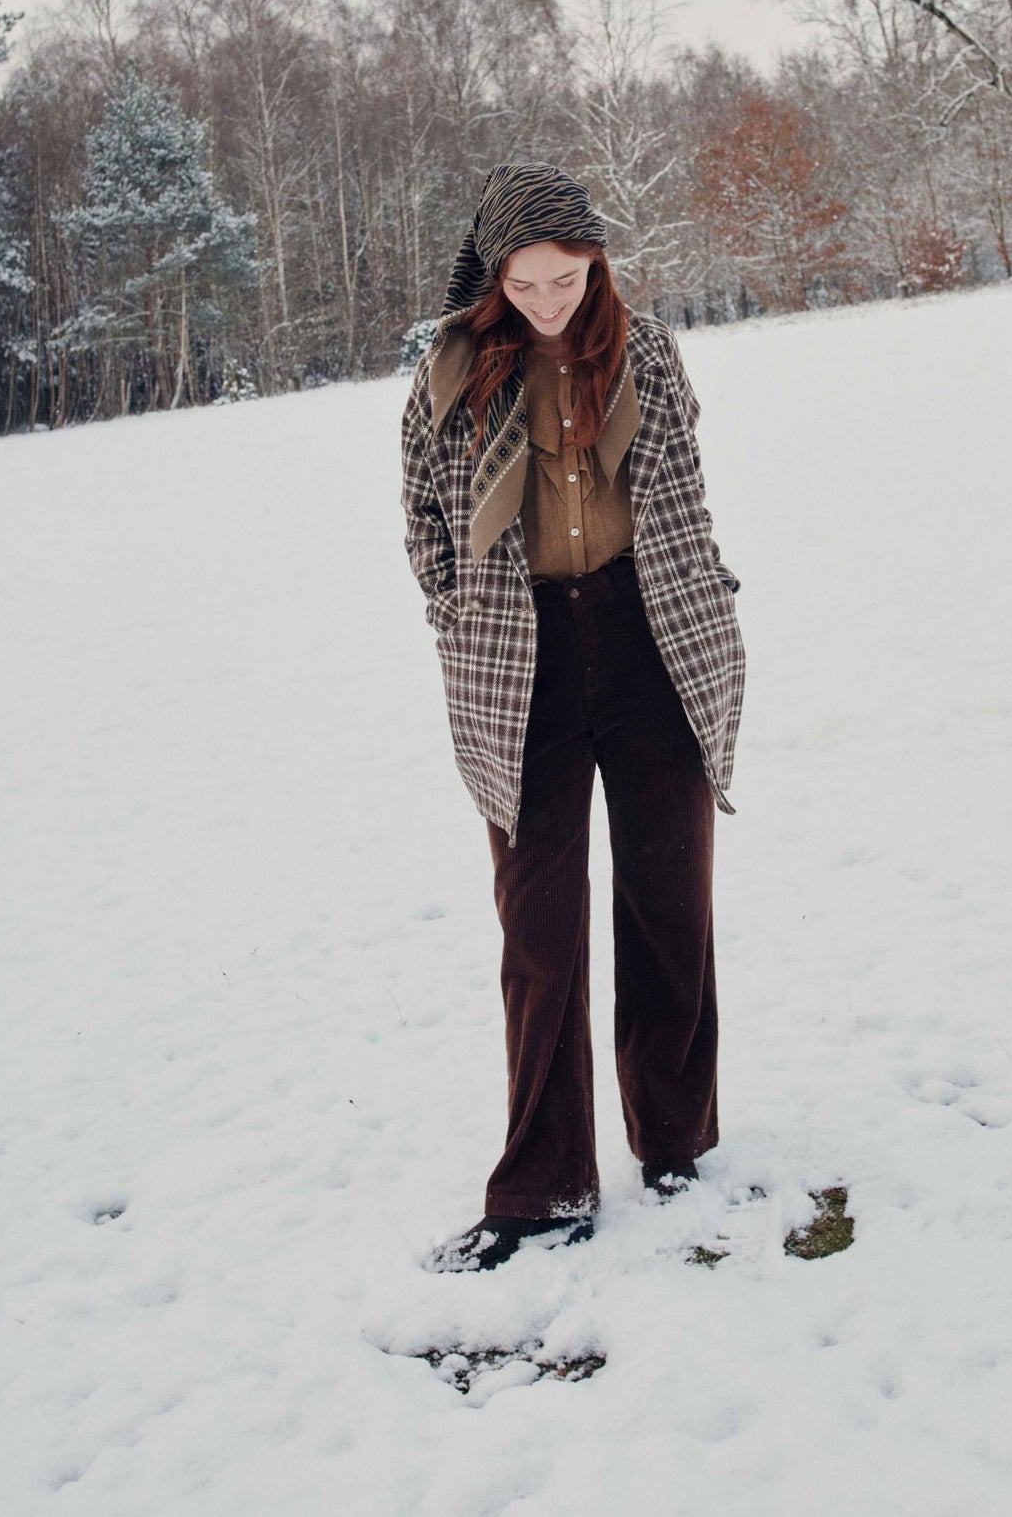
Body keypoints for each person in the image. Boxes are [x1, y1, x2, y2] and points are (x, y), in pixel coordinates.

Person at [399, 162, 745, 1271]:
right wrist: (452, 604)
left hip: (650, 644)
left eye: (567, 277)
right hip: (522, 662)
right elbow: (420, 512)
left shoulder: (640, 348)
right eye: (527, 283)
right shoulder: (451, 373)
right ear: (493, 278)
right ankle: (542, 1187)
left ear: (595, 262)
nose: (550, 301)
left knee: (668, 910)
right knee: (538, 937)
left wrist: (705, 601)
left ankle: (678, 1140)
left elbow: (684, 486)